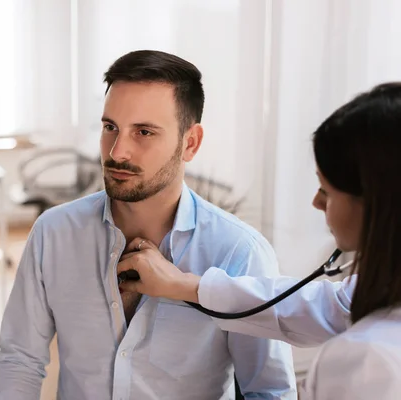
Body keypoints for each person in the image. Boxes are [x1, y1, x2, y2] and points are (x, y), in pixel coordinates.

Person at [0, 50, 297, 400]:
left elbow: (269, 392)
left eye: (144, 132)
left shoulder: (239, 253)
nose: (117, 151)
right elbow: (20, 361)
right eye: (110, 128)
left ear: (190, 143)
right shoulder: (54, 233)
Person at [117, 82, 401, 399]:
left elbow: (271, 386)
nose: (317, 203)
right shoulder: (58, 230)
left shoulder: (370, 360)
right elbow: (322, 306)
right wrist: (183, 286)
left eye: (326, 190)